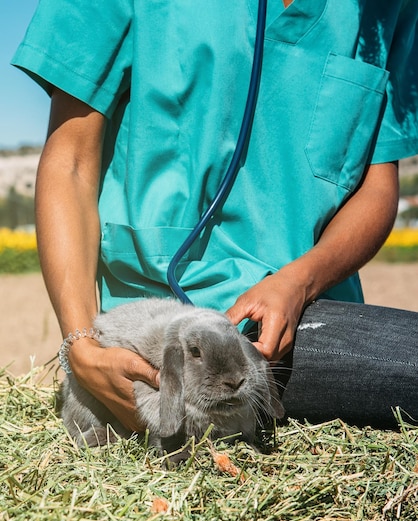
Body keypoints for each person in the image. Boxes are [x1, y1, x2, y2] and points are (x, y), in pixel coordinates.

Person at [12, 0, 418, 431]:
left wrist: (298, 282)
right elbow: (70, 162)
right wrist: (82, 345)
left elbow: (377, 188)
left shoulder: (388, 8)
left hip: (297, 318)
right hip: (160, 330)